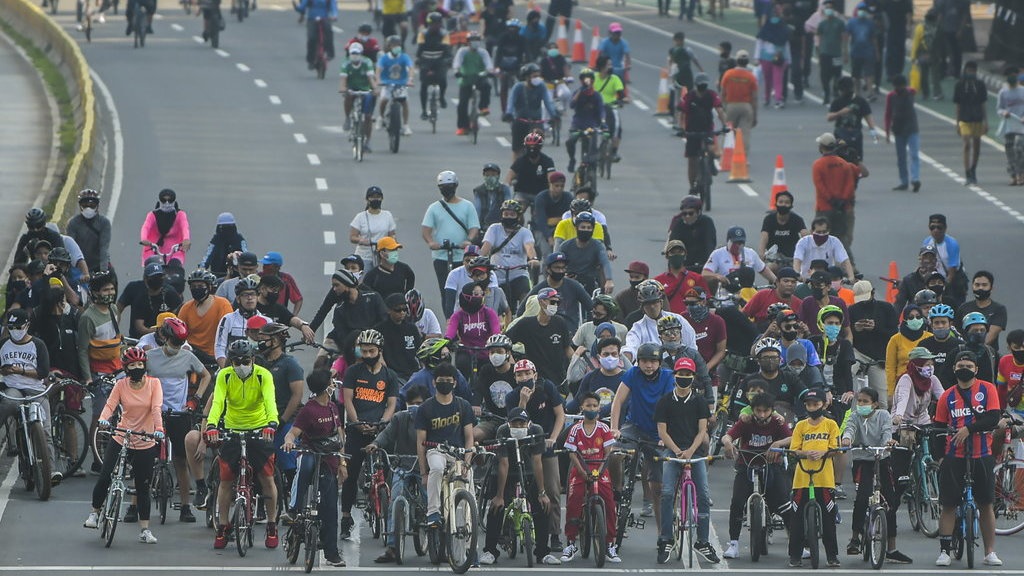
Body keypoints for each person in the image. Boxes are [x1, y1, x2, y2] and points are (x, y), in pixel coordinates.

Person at [204, 340, 280, 549]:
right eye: (236, 362)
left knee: (267, 478)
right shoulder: (224, 375)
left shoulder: (263, 375)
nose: (241, 365)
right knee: (226, 480)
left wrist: (272, 423)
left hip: (260, 428)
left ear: (253, 360)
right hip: (232, 429)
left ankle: (272, 524)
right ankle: (223, 525)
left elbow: (270, 402)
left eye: (245, 361)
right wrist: (212, 425)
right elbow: (218, 402)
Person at [83, 348, 163, 543]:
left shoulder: (154, 384)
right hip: (121, 436)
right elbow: (110, 405)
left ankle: (144, 530)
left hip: (145, 440)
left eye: (140, 364)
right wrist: (103, 419)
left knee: (143, 486)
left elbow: (156, 408)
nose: (137, 368)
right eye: (132, 365)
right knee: (105, 476)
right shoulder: (121, 385)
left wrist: (159, 428)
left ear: (145, 366)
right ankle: (94, 513)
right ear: (126, 368)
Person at [933, 351, 1003, 567]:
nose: (965, 368)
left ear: (976, 369)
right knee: (948, 504)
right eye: (960, 365)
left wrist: (968, 429)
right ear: (954, 368)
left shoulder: (987, 389)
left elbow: (993, 417)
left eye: (969, 366)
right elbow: (939, 427)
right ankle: (945, 551)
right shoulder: (947, 396)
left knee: (986, 503)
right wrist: (940, 458)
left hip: (982, 454)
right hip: (954, 455)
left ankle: (990, 552)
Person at [654, 356, 719, 564]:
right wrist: (676, 450)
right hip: (673, 452)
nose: (684, 378)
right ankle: (665, 538)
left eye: (688, 375)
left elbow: (702, 430)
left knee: (703, 494)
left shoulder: (699, 401)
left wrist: (691, 450)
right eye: (680, 374)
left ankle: (702, 541)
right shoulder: (664, 401)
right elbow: (662, 432)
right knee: (666, 493)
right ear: (675, 376)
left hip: (695, 453)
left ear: (693, 377)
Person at [145, 318, 211, 522]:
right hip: (153, 413)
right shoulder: (149, 357)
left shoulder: (188, 357)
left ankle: (185, 506)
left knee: (181, 461)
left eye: (180, 343)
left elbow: (206, 376)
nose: (177, 347)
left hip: (179, 413)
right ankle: (135, 506)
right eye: (174, 342)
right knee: (143, 460)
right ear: (164, 337)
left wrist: (195, 399)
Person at [280, 370, 346, 567]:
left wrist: (343, 464)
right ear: (326, 387)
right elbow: (292, 434)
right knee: (304, 465)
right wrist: (289, 442)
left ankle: (332, 554)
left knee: (330, 508)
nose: (334, 384)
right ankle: (293, 509)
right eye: (331, 382)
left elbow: (340, 437)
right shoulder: (309, 409)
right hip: (310, 453)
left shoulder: (334, 408)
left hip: (330, 460)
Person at [479, 405, 559, 565]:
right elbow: (503, 463)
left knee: (543, 506)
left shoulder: (536, 430)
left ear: (529, 423)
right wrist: (500, 496)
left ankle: (543, 552)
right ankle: (490, 551)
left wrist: (542, 493)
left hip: (528, 470)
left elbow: (537, 462)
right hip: (503, 471)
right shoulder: (502, 431)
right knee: (496, 506)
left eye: (522, 424)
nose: (518, 427)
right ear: (508, 424)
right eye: (515, 424)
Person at [339, 329, 400, 538]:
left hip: (380, 430)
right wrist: (356, 423)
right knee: (351, 474)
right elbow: (348, 400)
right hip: (357, 429)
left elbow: (392, 403)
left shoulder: (389, 376)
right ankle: (346, 517)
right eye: (363, 351)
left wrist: (384, 422)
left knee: (390, 470)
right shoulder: (353, 372)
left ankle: (390, 513)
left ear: (379, 350)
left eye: (371, 351)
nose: (366, 355)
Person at [841, 387, 911, 563]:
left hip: (882, 458)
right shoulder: (854, 416)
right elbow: (849, 429)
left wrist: (888, 443)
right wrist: (847, 439)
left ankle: (892, 548)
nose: (861, 405)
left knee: (891, 501)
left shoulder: (883, 416)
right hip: (862, 461)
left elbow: (887, 431)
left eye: (865, 401)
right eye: (859, 401)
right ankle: (855, 538)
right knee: (863, 497)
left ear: (875, 404)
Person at [720, 392, 793, 559]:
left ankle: (796, 544)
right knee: (737, 502)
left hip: (771, 466)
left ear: (771, 410)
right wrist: (728, 443)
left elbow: (791, 438)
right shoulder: (746, 421)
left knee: (784, 504)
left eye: (765, 411)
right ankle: (734, 544)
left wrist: (777, 443)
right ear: (752, 410)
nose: (761, 415)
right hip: (746, 464)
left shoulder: (777, 422)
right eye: (758, 411)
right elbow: (728, 435)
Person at [609, 343, 673, 529]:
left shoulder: (668, 377)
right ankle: (618, 491)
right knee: (615, 453)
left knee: (658, 488)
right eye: (644, 361)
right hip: (634, 426)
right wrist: (615, 428)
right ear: (639, 362)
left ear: (659, 363)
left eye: (653, 361)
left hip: (658, 431)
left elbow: (670, 407)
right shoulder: (632, 374)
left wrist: (665, 435)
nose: (648, 365)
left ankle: (664, 535)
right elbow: (618, 401)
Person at [1, 308, 59, 486]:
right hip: (13, 389)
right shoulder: (3, 344)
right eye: (11, 327)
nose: (15, 330)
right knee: (8, 403)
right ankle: (11, 439)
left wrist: (19, 370)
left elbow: (42, 371)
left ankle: (51, 470)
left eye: (18, 326)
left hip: (36, 390)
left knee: (46, 429)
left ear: (27, 326)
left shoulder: (38, 345)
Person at [369, 385, 426, 563]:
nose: (415, 406)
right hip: (401, 464)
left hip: (424, 466)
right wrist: (375, 444)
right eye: (411, 403)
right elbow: (386, 435)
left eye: (419, 403)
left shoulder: (429, 419)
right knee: (395, 497)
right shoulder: (399, 418)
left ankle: (437, 541)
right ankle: (393, 547)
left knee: (429, 501)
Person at [415, 361, 477, 526]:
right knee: (436, 468)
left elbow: (469, 437)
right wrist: (423, 473)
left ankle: (470, 526)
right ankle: (433, 512)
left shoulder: (463, 406)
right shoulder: (425, 408)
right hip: (436, 450)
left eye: (449, 380)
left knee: (468, 485)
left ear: (455, 382)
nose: (445, 383)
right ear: (434, 382)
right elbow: (421, 442)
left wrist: (467, 462)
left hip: (458, 453)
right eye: (441, 379)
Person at [786, 388, 842, 567]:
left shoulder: (831, 425)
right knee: (796, 519)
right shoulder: (801, 426)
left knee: (828, 518)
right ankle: (795, 556)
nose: (812, 408)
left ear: (823, 405)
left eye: (816, 404)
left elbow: (836, 448)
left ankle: (832, 556)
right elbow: (794, 449)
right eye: (809, 405)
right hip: (802, 478)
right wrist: (804, 453)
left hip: (824, 479)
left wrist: (823, 453)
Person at [561, 393, 620, 562]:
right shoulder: (575, 429)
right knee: (573, 501)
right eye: (588, 406)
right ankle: (571, 542)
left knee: (609, 503)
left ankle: (610, 545)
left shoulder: (604, 428)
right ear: (582, 408)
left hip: (600, 469)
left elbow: (608, 453)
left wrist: (600, 471)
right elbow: (572, 453)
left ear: (599, 408)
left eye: (595, 406)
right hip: (580, 469)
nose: (591, 409)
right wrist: (581, 471)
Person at [422, 170, 481, 294]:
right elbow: (426, 230)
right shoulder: (434, 207)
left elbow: (474, 227)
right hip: (441, 255)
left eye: (449, 187)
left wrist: (468, 240)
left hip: (463, 256)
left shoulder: (467, 206)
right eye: (443, 187)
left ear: (455, 186)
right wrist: (431, 242)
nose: (446, 190)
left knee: (466, 288)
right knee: (445, 289)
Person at [506, 287, 573, 385]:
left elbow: (567, 348)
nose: (555, 306)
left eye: (557, 303)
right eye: (552, 302)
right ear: (542, 302)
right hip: (535, 380)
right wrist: (512, 363)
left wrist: (577, 362)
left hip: (558, 379)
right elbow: (505, 342)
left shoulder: (560, 322)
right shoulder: (525, 324)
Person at [480, 199, 538, 310]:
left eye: (512, 214)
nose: (509, 217)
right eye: (506, 214)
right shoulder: (494, 229)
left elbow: (529, 247)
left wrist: (533, 259)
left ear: (518, 216)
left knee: (525, 296)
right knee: (492, 301)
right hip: (497, 275)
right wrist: (480, 259)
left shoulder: (524, 232)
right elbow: (486, 246)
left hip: (518, 274)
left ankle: (522, 317)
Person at [812, 132, 864, 254]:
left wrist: (830, 200)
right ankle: (850, 265)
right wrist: (842, 200)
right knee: (841, 237)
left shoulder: (818, 165)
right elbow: (850, 184)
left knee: (818, 237)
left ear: (821, 147)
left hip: (824, 207)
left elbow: (820, 185)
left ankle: (817, 262)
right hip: (842, 207)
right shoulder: (844, 164)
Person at [848, 280, 899, 403]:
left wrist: (876, 328)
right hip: (858, 352)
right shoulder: (852, 310)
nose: (864, 302)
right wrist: (855, 329)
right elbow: (846, 334)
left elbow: (894, 334)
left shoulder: (886, 308)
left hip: (879, 357)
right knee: (848, 371)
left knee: (882, 398)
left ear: (873, 293)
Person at [680, 72, 728, 191]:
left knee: (712, 150)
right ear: (696, 85)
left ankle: (710, 164)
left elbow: (720, 110)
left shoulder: (712, 95)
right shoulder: (689, 96)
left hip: (707, 130)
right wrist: (681, 129)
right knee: (692, 160)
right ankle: (692, 186)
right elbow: (681, 113)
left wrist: (725, 125)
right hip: (692, 132)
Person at [522, 252, 591, 331]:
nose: (561, 271)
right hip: (545, 331)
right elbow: (522, 311)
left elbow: (590, 306)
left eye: (563, 268)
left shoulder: (574, 285)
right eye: (557, 268)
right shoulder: (539, 288)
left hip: (569, 331)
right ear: (548, 269)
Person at [504, 65, 557, 164]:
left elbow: (548, 102)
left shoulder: (541, 87)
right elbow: (511, 102)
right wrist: (509, 113)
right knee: (517, 150)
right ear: (527, 77)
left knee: (538, 139)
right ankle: (515, 173)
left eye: (538, 76)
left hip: (536, 121)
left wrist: (554, 115)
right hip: (521, 120)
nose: (537, 78)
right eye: (534, 76)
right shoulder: (518, 87)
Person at [701, 226, 777, 295]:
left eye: (741, 242)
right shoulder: (717, 254)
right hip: (727, 295)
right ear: (728, 241)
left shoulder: (750, 253)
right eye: (736, 243)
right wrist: (717, 276)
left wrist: (777, 282)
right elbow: (705, 273)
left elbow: (764, 270)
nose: (739, 245)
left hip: (748, 294)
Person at [886, 304, 932, 401]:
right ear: (905, 319)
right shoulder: (895, 339)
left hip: (925, 384)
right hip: (902, 383)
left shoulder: (929, 337)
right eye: (910, 317)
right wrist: (891, 392)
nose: (915, 319)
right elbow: (890, 367)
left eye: (918, 317)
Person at [953, 60, 988, 185]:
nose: (971, 73)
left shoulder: (980, 85)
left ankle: (973, 169)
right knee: (967, 143)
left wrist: (986, 122)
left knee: (977, 145)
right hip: (964, 119)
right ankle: (967, 172)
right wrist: (957, 122)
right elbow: (957, 105)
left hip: (977, 118)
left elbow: (983, 103)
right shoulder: (959, 85)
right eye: (969, 70)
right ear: (965, 71)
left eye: (973, 71)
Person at [884, 74, 922, 192]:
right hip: (899, 129)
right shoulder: (891, 96)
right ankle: (904, 181)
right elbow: (888, 114)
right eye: (897, 87)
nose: (898, 89)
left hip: (912, 128)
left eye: (901, 86)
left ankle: (915, 179)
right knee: (901, 158)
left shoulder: (911, 92)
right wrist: (887, 132)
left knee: (914, 155)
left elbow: (914, 89)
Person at [565, 68, 605, 174]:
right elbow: (572, 105)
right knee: (570, 141)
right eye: (584, 79)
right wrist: (580, 92)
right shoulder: (577, 92)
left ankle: (592, 163)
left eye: (589, 79)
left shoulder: (596, 95)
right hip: (578, 123)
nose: (587, 81)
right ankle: (572, 160)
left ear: (593, 80)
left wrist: (603, 121)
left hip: (591, 124)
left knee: (592, 144)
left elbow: (601, 110)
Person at [892, 347, 944, 428]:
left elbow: (943, 398)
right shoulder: (906, 379)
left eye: (932, 364)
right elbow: (903, 398)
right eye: (927, 364)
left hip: (923, 421)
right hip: (903, 422)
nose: (930, 367)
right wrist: (898, 415)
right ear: (916, 365)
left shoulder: (932, 379)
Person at [654, 240, 710, 315]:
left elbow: (706, 301)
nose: (676, 255)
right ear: (667, 256)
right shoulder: (658, 281)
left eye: (680, 252)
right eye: (673, 252)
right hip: (667, 322)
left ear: (685, 255)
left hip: (692, 321)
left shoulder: (697, 278)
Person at [339, 43, 378, 151]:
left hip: (365, 90)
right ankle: (347, 118)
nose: (355, 56)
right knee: (347, 97)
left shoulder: (367, 62)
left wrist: (375, 89)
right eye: (353, 53)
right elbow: (343, 81)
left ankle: (368, 141)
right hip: (352, 89)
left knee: (368, 117)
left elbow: (371, 78)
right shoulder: (346, 64)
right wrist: (343, 88)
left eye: (357, 53)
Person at [957, 271, 1007, 352]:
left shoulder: (999, 309)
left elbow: (991, 335)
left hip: (988, 354)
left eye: (984, 285)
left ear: (991, 288)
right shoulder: (963, 307)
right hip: (964, 354)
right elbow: (957, 331)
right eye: (977, 285)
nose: (980, 288)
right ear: (972, 286)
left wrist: (975, 349)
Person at [66, 189, 111, 279]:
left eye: (92, 205)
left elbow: (104, 248)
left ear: (97, 206)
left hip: (98, 266)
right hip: (78, 267)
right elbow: (70, 248)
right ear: (80, 206)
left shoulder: (104, 222)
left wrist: (103, 271)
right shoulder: (73, 223)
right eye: (85, 205)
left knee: (111, 280)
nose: (88, 208)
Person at [139, 189, 190, 268]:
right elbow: (145, 227)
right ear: (160, 201)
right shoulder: (152, 215)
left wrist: (186, 239)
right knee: (152, 269)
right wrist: (144, 239)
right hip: (153, 248)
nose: (167, 203)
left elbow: (185, 227)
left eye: (170, 200)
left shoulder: (180, 214)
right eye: (164, 200)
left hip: (175, 249)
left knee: (176, 268)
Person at [718, 49, 756, 153]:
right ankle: (744, 157)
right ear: (747, 62)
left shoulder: (728, 74)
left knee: (728, 131)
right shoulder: (751, 76)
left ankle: (724, 154)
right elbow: (754, 97)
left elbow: (722, 93)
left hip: (731, 105)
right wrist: (755, 115)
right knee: (745, 133)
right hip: (746, 106)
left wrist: (722, 108)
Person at [377, 35, 416, 136]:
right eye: (394, 45)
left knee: (404, 102)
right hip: (387, 82)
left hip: (401, 83)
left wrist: (410, 80)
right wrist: (378, 80)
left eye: (398, 45)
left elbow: (411, 68)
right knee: (384, 100)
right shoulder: (384, 58)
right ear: (389, 46)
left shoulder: (404, 57)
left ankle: (406, 125)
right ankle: (381, 117)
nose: (396, 47)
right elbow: (378, 70)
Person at [349, 186, 397, 267]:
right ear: (367, 199)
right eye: (372, 197)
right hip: (365, 256)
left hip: (383, 256)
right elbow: (352, 237)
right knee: (364, 277)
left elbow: (392, 235)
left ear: (382, 198)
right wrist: (362, 241)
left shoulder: (387, 215)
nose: (376, 200)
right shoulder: (360, 217)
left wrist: (393, 244)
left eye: (378, 197)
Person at [415, 12, 451, 118]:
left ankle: (442, 97)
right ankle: (423, 111)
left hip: (439, 60)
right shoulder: (422, 34)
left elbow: (446, 50)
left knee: (443, 80)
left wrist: (449, 60)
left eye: (436, 24)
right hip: (426, 60)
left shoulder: (444, 34)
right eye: (431, 24)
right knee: (424, 85)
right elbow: (420, 49)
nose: (433, 26)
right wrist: (418, 60)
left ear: (440, 24)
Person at [756, 5, 792, 109]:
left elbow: (786, 45)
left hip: (773, 57)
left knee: (774, 79)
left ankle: (776, 99)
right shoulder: (779, 28)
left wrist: (757, 57)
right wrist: (757, 57)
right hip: (773, 57)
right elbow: (760, 42)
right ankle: (771, 98)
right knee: (772, 79)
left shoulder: (770, 28)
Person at [667, 196, 716, 273]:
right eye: (684, 214)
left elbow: (710, 244)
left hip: (702, 264)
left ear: (698, 212)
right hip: (684, 265)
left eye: (691, 213)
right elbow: (673, 247)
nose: (687, 216)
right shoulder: (678, 224)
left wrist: (708, 266)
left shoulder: (707, 222)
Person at [532, 171, 572, 259]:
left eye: (562, 186)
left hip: (560, 228)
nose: (559, 188)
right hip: (541, 229)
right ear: (550, 184)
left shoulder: (568, 197)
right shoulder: (541, 197)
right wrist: (549, 238)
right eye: (556, 186)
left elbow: (569, 217)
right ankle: (546, 271)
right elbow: (541, 220)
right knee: (548, 254)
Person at [814, 0, 845, 105]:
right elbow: (819, 39)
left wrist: (845, 52)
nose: (829, 10)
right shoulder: (822, 24)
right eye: (827, 8)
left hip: (836, 53)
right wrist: (818, 54)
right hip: (825, 53)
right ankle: (826, 94)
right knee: (824, 75)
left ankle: (835, 90)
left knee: (837, 74)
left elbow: (843, 38)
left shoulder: (840, 23)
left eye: (830, 8)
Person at [997, 66, 1024, 185]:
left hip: (1021, 124)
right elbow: (999, 108)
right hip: (1009, 125)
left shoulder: (1022, 90)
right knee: (1009, 149)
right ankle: (1013, 174)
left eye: (1014, 75)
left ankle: (1021, 174)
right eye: (1009, 76)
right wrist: (1004, 112)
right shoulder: (1003, 92)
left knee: (1019, 148)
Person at [844, 3, 877, 100]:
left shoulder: (870, 23)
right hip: (855, 52)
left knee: (869, 73)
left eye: (863, 10)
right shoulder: (851, 22)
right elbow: (846, 37)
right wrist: (845, 51)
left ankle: (870, 92)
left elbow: (874, 38)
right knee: (856, 75)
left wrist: (876, 51)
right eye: (860, 10)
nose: (861, 12)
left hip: (868, 52)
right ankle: (857, 93)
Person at [200, 212, 246, 278]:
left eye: (228, 228)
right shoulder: (216, 240)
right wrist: (202, 268)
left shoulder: (239, 239)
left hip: (236, 275)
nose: (226, 231)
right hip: (217, 275)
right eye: (224, 227)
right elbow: (208, 255)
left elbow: (245, 254)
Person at [293, 0, 337, 68]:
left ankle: (330, 54)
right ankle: (310, 60)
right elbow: (302, 7)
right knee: (311, 38)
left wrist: (334, 15)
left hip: (325, 18)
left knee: (329, 33)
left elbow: (333, 6)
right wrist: (296, 6)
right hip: (312, 19)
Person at [474, 163, 513, 231]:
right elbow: (478, 210)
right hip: (484, 225)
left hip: (501, 225)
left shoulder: (504, 189)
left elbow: (509, 206)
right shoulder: (478, 190)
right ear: (484, 176)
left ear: (498, 175)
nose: (490, 177)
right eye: (487, 175)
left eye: (493, 175)